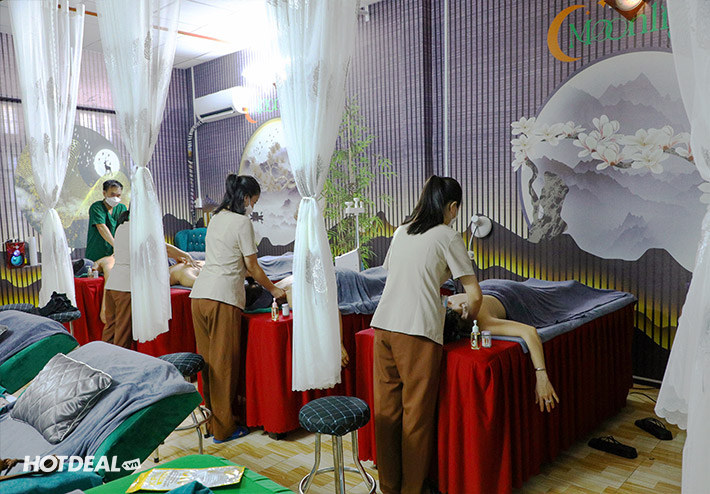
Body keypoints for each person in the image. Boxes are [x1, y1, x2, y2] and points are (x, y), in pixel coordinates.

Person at [370, 175, 482, 494]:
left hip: (384, 326)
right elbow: (474, 295)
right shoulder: (448, 235)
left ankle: (389, 487)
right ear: (452, 207)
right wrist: (466, 319)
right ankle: (412, 490)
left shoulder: (402, 231)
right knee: (415, 418)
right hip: (417, 332)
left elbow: (400, 273)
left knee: (387, 414)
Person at [190, 174, 286, 443]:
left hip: (199, 296)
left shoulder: (216, 218)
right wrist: (274, 289)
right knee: (223, 365)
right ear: (245, 198)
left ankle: (212, 423)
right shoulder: (242, 222)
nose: (253, 206)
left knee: (209, 365)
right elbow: (253, 266)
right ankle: (225, 430)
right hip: (222, 298)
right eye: (254, 201)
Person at [446, 293, 560, 413]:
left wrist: (541, 374)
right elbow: (529, 332)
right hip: (502, 294)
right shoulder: (479, 321)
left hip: (510, 294)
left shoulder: (480, 321)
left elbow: (529, 332)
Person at [102, 210, 196, 349]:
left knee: (111, 328)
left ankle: (104, 358)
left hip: (113, 283)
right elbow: (163, 247)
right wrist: (184, 255)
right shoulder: (139, 229)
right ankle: (118, 361)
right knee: (123, 332)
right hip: (126, 286)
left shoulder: (121, 227)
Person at [86, 180, 126, 262]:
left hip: (115, 254)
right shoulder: (97, 207)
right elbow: (101, 227)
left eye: (118, 195)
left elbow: (124, 228)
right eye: (112, 195)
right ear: (104, 193)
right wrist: (116, 246)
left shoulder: (122, 208)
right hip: (97, 253)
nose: (115, 198)